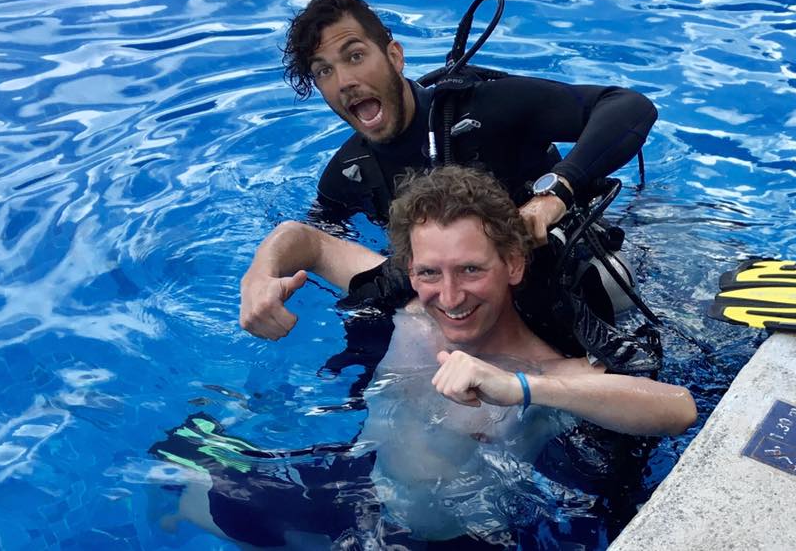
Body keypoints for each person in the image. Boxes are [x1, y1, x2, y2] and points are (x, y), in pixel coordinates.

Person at [155, 167, 695, 547]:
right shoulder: (410, 308)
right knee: (180, 475)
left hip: (456, 539)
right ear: (409, 268)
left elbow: (676, 410)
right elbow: (303, 238)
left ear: (513, 264)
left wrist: (521, 389)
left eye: (471, 270)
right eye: (430, 272)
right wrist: (258, 277)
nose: (451, 297)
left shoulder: (548, 370)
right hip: (360, 492)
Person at [240, 0, 659, 347]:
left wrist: (554, 195)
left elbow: (628, 107)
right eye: (324, 71)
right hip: (464, 301)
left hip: (574, 275)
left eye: (354, 56)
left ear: (394, 55)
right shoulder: (348, 174)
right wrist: (262, 274)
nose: (344, 80)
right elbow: (312, 240)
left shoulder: (487, 109)